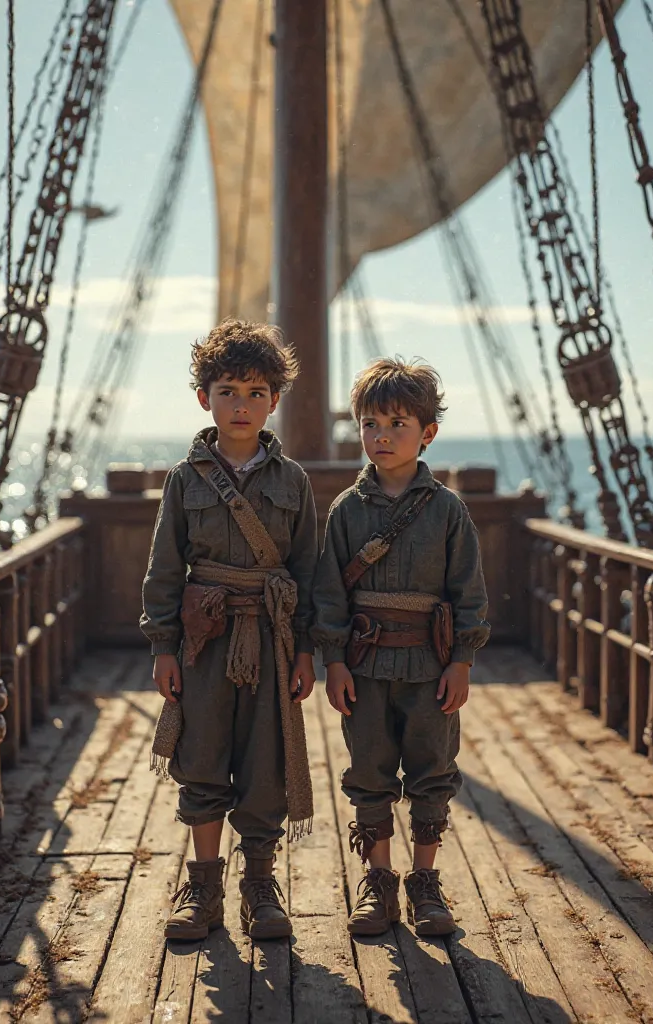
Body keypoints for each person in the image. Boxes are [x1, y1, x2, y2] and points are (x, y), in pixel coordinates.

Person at [141, 318, 318, 942]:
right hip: (204, 641)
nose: (240, 405)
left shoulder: (292, 481)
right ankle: (205, 887)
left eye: (254, 392)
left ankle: (261, 889)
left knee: (265, 763)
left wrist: (305, 656)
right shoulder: (185, 480)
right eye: (226, 391)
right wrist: (164, 647)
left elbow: (306, 571)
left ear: (274, 400)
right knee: (203, 756)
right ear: (203, 398)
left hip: (271, 641)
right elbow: (165, 568)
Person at [312, 357, 489, 937]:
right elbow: (330, 594)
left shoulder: (447, 511)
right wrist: (333, 660)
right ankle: (379, 884)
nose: (381, 437)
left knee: (433, 770)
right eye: (370, 424)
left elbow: (469, 592)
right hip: (363, 667)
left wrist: (461, 660)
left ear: (428, 433)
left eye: (397, 424)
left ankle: (426, 885)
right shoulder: (345, 511)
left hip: (429, 664)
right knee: (369, 770)